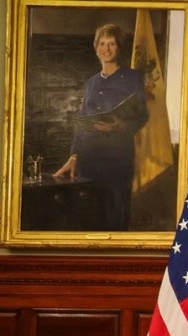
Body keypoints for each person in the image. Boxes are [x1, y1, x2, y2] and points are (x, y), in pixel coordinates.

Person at [54, 23, 147, 231]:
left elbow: (142, 117)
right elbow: (81, 122)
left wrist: (118, 126)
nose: (106, 49)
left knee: (115, 218)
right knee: (89, 217)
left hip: (117, 161)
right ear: (96, 49)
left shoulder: (133, 78)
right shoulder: (90, 84)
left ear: (119, 48)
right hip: (88, 160)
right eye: (102, 44)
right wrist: (73, 156)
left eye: (111, 44)